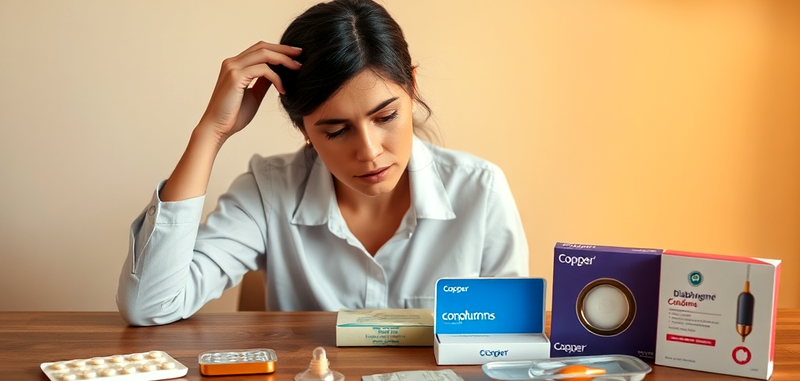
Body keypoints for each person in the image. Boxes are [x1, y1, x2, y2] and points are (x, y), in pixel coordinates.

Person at [117, 0, 528, 326]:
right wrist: (211, 132)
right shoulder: (268, 191)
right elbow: (150, 304)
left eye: (385, 117)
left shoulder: (481, 191)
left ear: (413, 86)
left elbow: (506, 338)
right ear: (304, 130)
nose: (368, 151)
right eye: (335, 130)